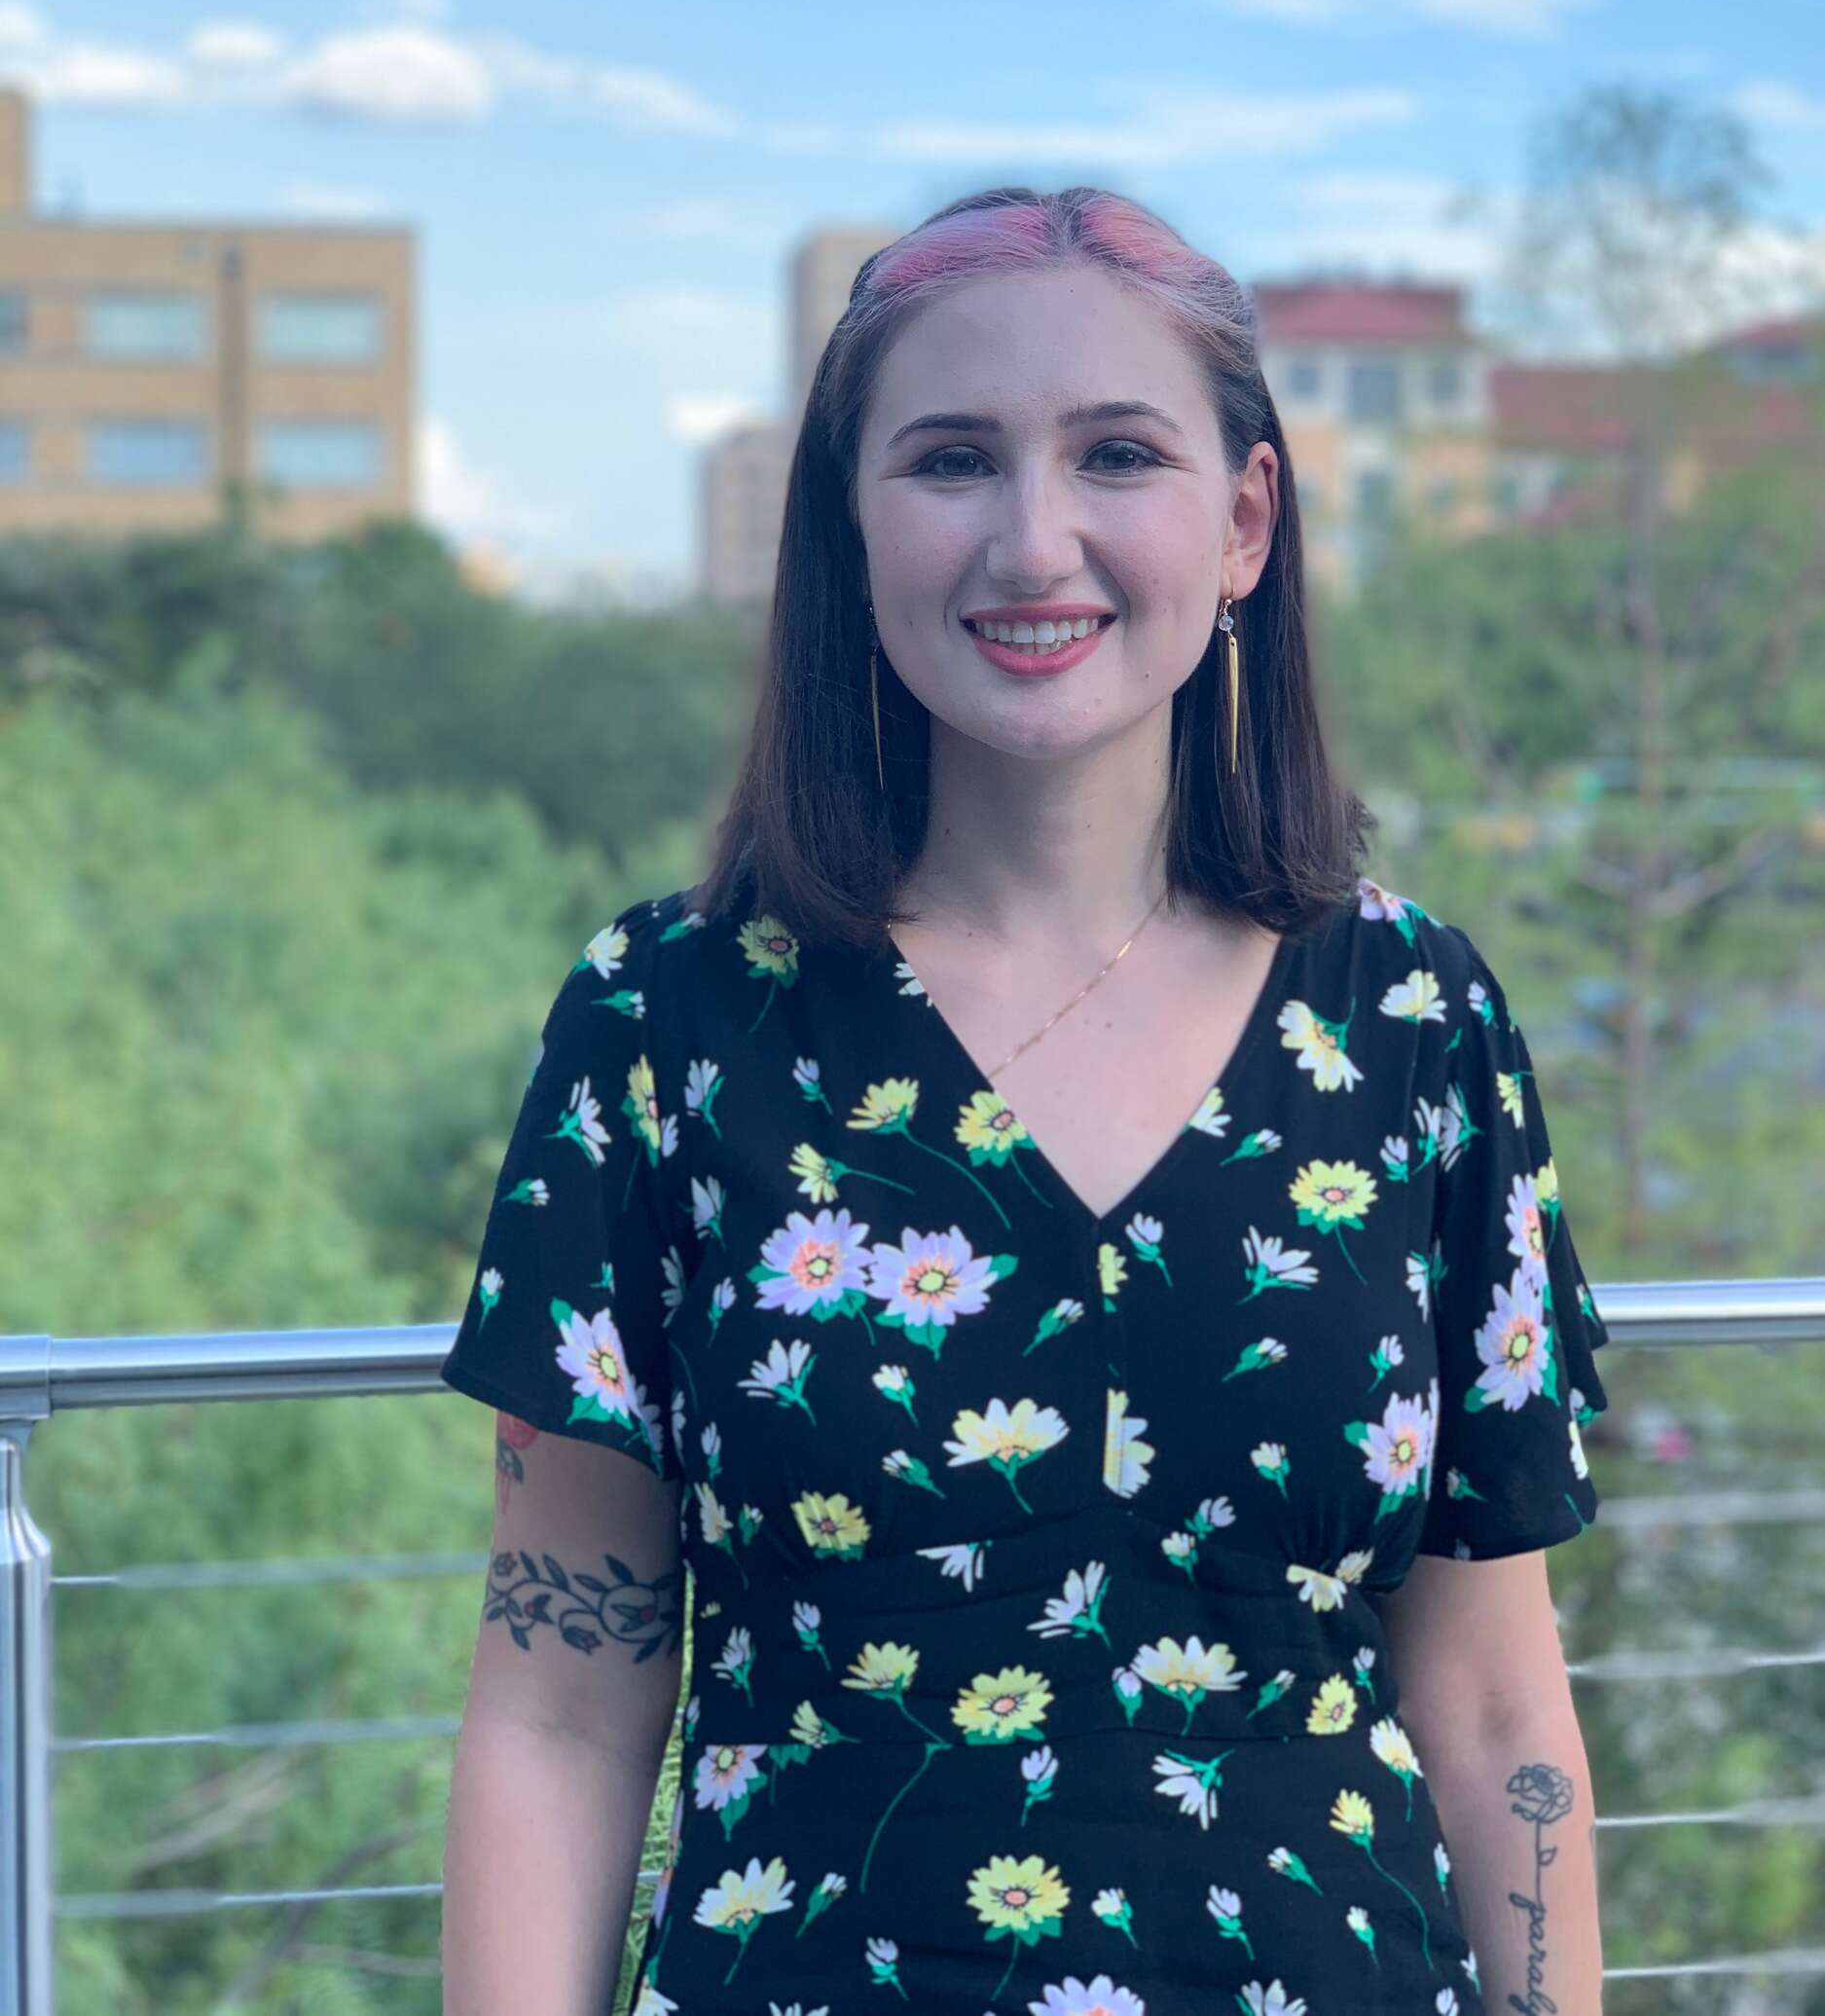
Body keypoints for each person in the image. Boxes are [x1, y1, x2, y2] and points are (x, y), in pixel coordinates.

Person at [438, 187, 1613, 2016]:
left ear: (1241, 525)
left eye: (1117, 454)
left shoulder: (1414, 1024)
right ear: (851, 531)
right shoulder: (665, 1024)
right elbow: (561, 1705)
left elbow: (1493, 1699)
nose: (1034, 539)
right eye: (952, 461)